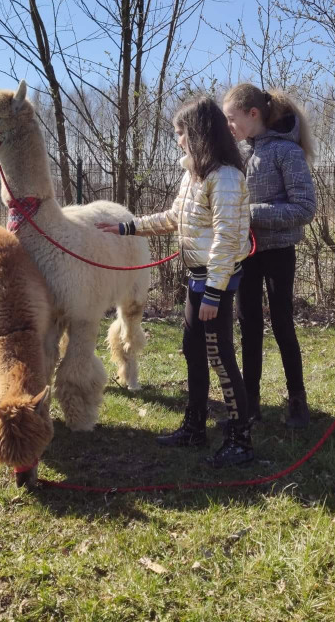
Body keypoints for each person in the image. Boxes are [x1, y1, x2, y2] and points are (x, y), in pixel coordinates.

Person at [96, 96, 255, 467]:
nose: (179, 140)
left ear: (198, 133)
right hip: (198, 282)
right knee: (194, 352)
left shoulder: (227, 178)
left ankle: (241, 440)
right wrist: (126, 228)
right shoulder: (194, 174)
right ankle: (195, 426)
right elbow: (174, 217)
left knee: (221, 358)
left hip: (215, 283)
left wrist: (214, 294)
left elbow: (226, 242)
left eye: (181, 133)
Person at [222, 84, 316, 428]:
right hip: (244, 252)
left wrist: (250, 213)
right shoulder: (237, 154)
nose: (227, 125)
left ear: (253, 114)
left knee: (282, 324)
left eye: (231, 118)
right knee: (248, 325)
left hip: (278, 252)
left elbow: (305, 208)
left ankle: (297, 401)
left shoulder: (286, 153)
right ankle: (250, 404)